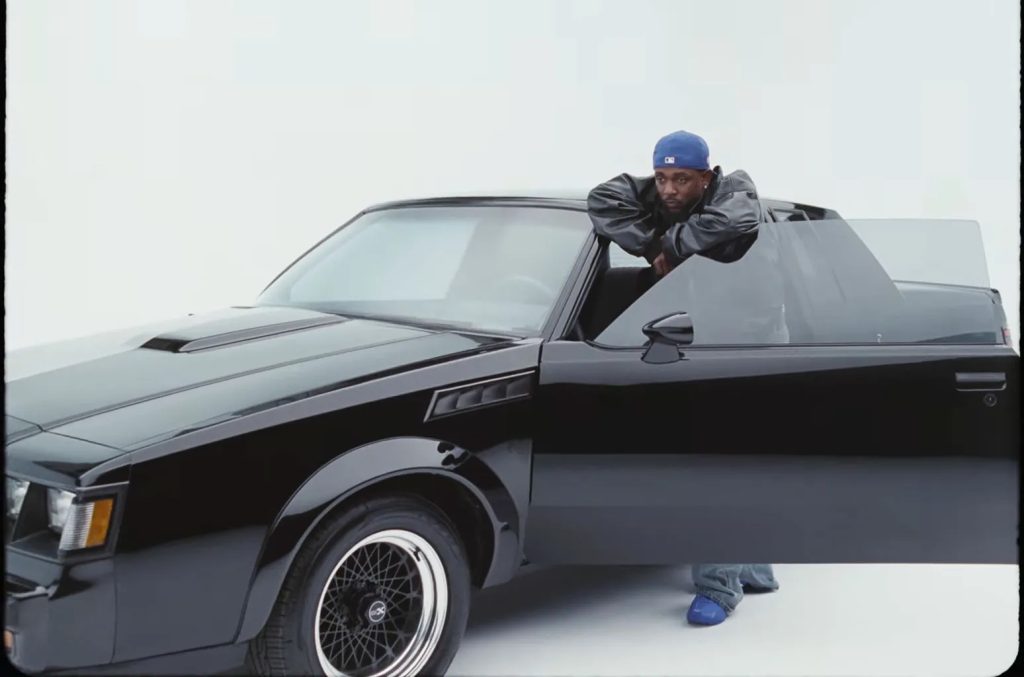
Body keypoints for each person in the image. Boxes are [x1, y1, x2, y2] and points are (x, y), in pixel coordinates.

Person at [586, 129, 780, 625]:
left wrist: (672, 245)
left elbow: (735, 219)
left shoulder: (735, 193)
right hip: (692, 339)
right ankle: (754, 568)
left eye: (682, 179)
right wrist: (653, 242)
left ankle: (718, 587)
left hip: (749, 348)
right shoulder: (663, 197)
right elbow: (602, 199)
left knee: (717, 465)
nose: (669, 189)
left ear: (707, 176)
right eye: (661, 178)